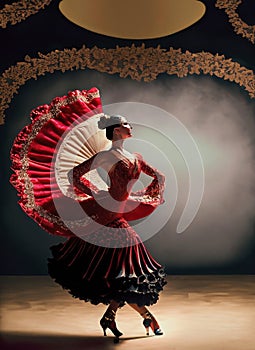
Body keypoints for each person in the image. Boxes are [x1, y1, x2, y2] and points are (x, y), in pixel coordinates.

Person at [10, 88, 166, 342]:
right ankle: (141, 317)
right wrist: (96, 194)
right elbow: (74, 175)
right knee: (127, 265)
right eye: (126, 124)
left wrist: (151, 191)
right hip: (107, 213)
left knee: (124, 270)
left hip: (118, 210)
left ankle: (120, 316)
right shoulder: (105, 156)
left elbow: (159, 175)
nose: (130, 126)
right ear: (116, 130)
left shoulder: (134, 157)